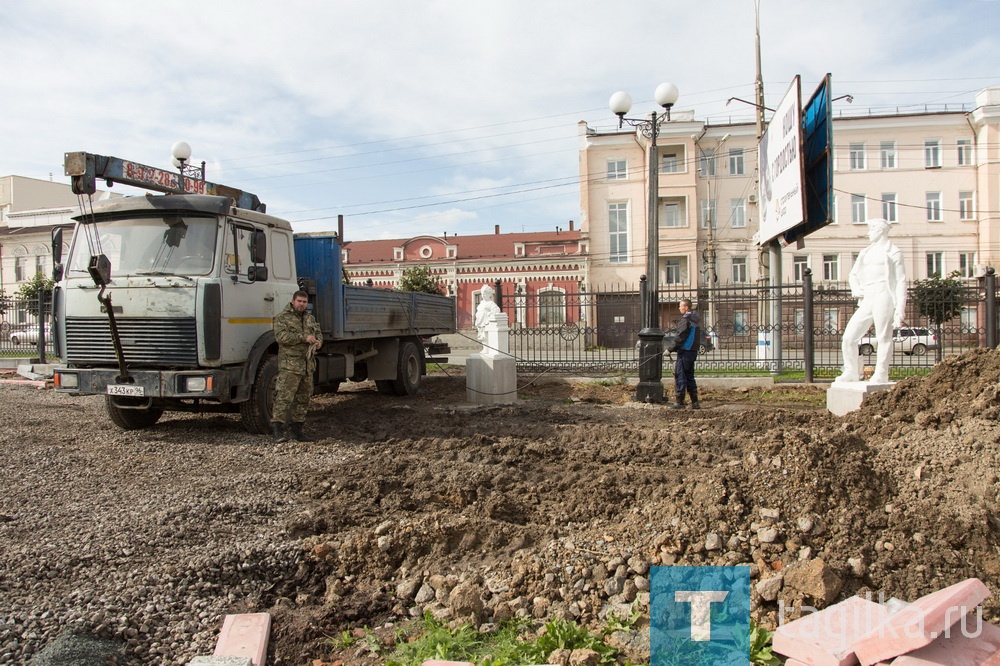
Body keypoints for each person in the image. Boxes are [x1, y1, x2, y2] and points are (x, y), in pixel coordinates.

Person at [835, 218, 907, 384]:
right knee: (848, 338)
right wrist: (855, 288)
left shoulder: (893, 252)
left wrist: (900, 309)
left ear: (880, 230)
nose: (868, 233)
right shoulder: (865, 252)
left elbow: (901, 281)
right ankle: (851, 371)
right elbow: (853, 274)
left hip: (884, 294)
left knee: (883, 336)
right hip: (868, 296)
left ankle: (881, 373)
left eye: (871, 229)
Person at [272, 290, 323, 442]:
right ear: (293, 301)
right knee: (284, 398)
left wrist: (319, 342)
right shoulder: (283, 318)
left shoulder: (309, 318)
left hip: (307, 366)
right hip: (290, 366)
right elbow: (281, 337)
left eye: (304, 302)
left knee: (303, 399)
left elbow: (318, 333)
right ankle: (277, 431)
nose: (302, 304)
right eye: (299, 301)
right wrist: (303, 337)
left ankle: (297, 431)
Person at [667, 298, 702, 410]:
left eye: (680, 306)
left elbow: (680, 336)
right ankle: (695, 402)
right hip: (692, 352)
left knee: (680, 376)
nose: (679, 308)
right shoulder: (695, 320)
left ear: (686, 307)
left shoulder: (686, 320)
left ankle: (679, 402)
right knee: (690, 376)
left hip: (685, 351)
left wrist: (670, 349)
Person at [474, 284, 501, 352]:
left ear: (489, 295)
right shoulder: (482, 303)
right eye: (482, 294)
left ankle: (487, 349)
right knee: (481, 335)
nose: (483, 295)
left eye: (485, 294)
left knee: (486, 335)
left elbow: (497, 310)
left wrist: (490, 314)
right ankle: (485, 348)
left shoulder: (491, 303)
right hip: (480, 321)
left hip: (486, 322)